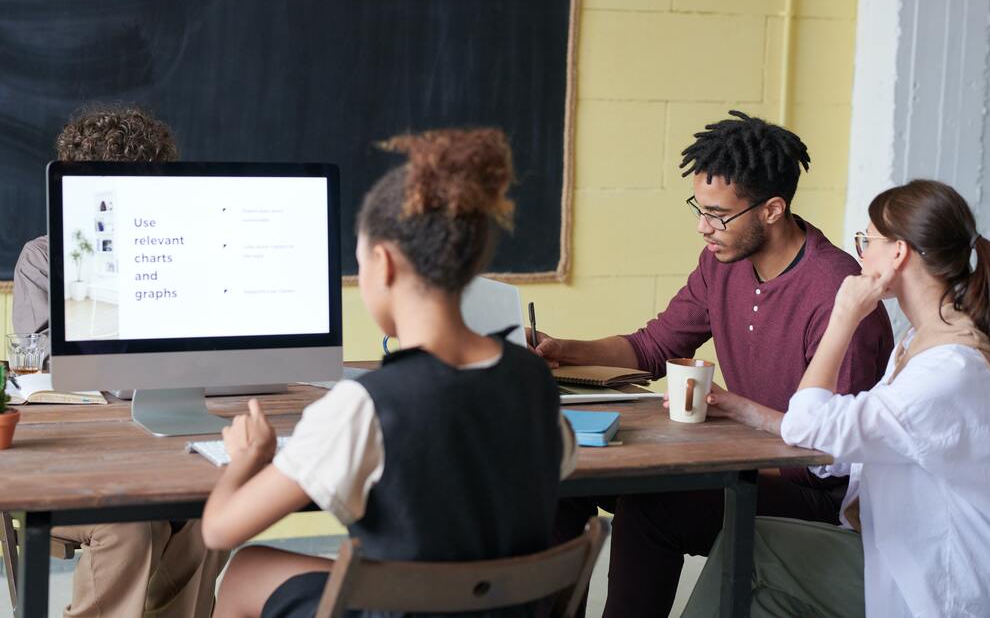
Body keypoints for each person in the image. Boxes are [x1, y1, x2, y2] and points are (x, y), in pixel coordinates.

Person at [202, 128, 578, 618]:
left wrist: (245, 459)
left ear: (383, 264)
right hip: (503, 608)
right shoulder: (533, 380)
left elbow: (217, 530)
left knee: (246, 567)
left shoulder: (366, 406)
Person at [532, 111, 895, 617]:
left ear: (772, 209)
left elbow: (829, 456)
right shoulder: (722, 262)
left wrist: (717, 452)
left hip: (809, 494)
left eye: (719, 215)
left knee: (653, 504)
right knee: (564, 479)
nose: (704, 228)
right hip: (738, 461)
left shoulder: (838, 292)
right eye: (698, 209)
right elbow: (654, 345)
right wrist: (561, 348)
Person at [684, 179, 990, 617]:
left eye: (867, 241)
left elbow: (817, 424)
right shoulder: (921, 342)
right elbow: (852, 438)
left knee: (753, 546)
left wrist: (843, 316)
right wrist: (742, 409)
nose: (860, 255)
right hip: (893, 554)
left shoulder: (947, 370)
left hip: (935, 587)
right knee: (763, 599)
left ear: (898, 253)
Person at [11, 104, 227, 618]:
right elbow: (45, 355)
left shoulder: (179, 255)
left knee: (208, 512)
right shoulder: (43, 259)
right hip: (80, 456)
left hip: (158, 444)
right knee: (130, 525)